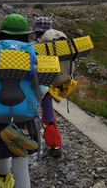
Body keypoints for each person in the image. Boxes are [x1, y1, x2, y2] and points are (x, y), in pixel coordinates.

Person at [0, 14, 48, 188]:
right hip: (25, 115)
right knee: (20, 159)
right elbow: (43, 89)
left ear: (1, 35)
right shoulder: (33, 57)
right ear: (25, 36)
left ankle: (4, 180)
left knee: (1, 152)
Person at [31, 16, 63, 157]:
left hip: (34, 87)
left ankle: (30, 142)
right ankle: (55, 146)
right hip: (51, 86)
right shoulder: (58, 45)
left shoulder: (34, 47)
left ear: (36, 31)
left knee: (30, 113)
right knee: (49, 116)